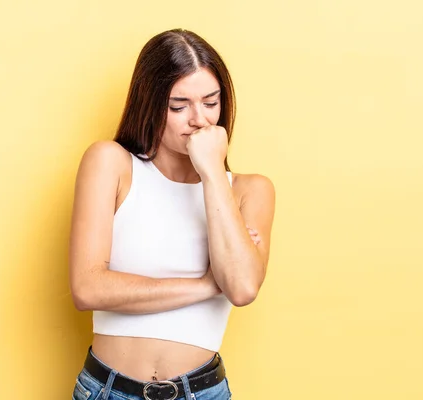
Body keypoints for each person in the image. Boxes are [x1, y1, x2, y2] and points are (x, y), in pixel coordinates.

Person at [69, 28, 275, 400]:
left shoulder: (249, 190)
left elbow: (243, 288)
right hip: (108, 391)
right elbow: (88, 288)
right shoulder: (111, 163)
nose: (199, 120)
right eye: (179, 106)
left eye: (211, 103)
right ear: (149, 104)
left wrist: (212, 171)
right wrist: (207, 285)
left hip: (202, 392)